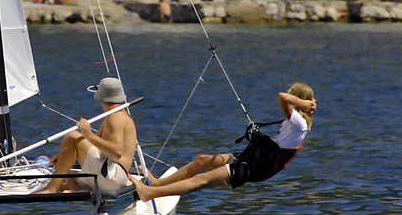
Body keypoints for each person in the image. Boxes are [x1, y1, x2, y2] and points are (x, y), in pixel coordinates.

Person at [129, 82, 317, 201]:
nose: (314, 103)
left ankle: (150, 193)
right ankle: (157, 184)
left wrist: (303, 104)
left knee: (201, 180)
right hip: (252, 158)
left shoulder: (300, 124)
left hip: (254, 166)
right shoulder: (293, 123)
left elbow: (282, 97)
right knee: (202, 160)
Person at [37, 77, 137, 196]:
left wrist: (88, 134)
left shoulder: (115, 117)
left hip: (112, 177)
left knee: (72, 136)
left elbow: (117, 152)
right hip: (115, 177)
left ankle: (52, 188)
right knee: (67, 158)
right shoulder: (117, 115)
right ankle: (74, 188)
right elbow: (93, 144)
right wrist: (62, 155)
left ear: (101, 97)